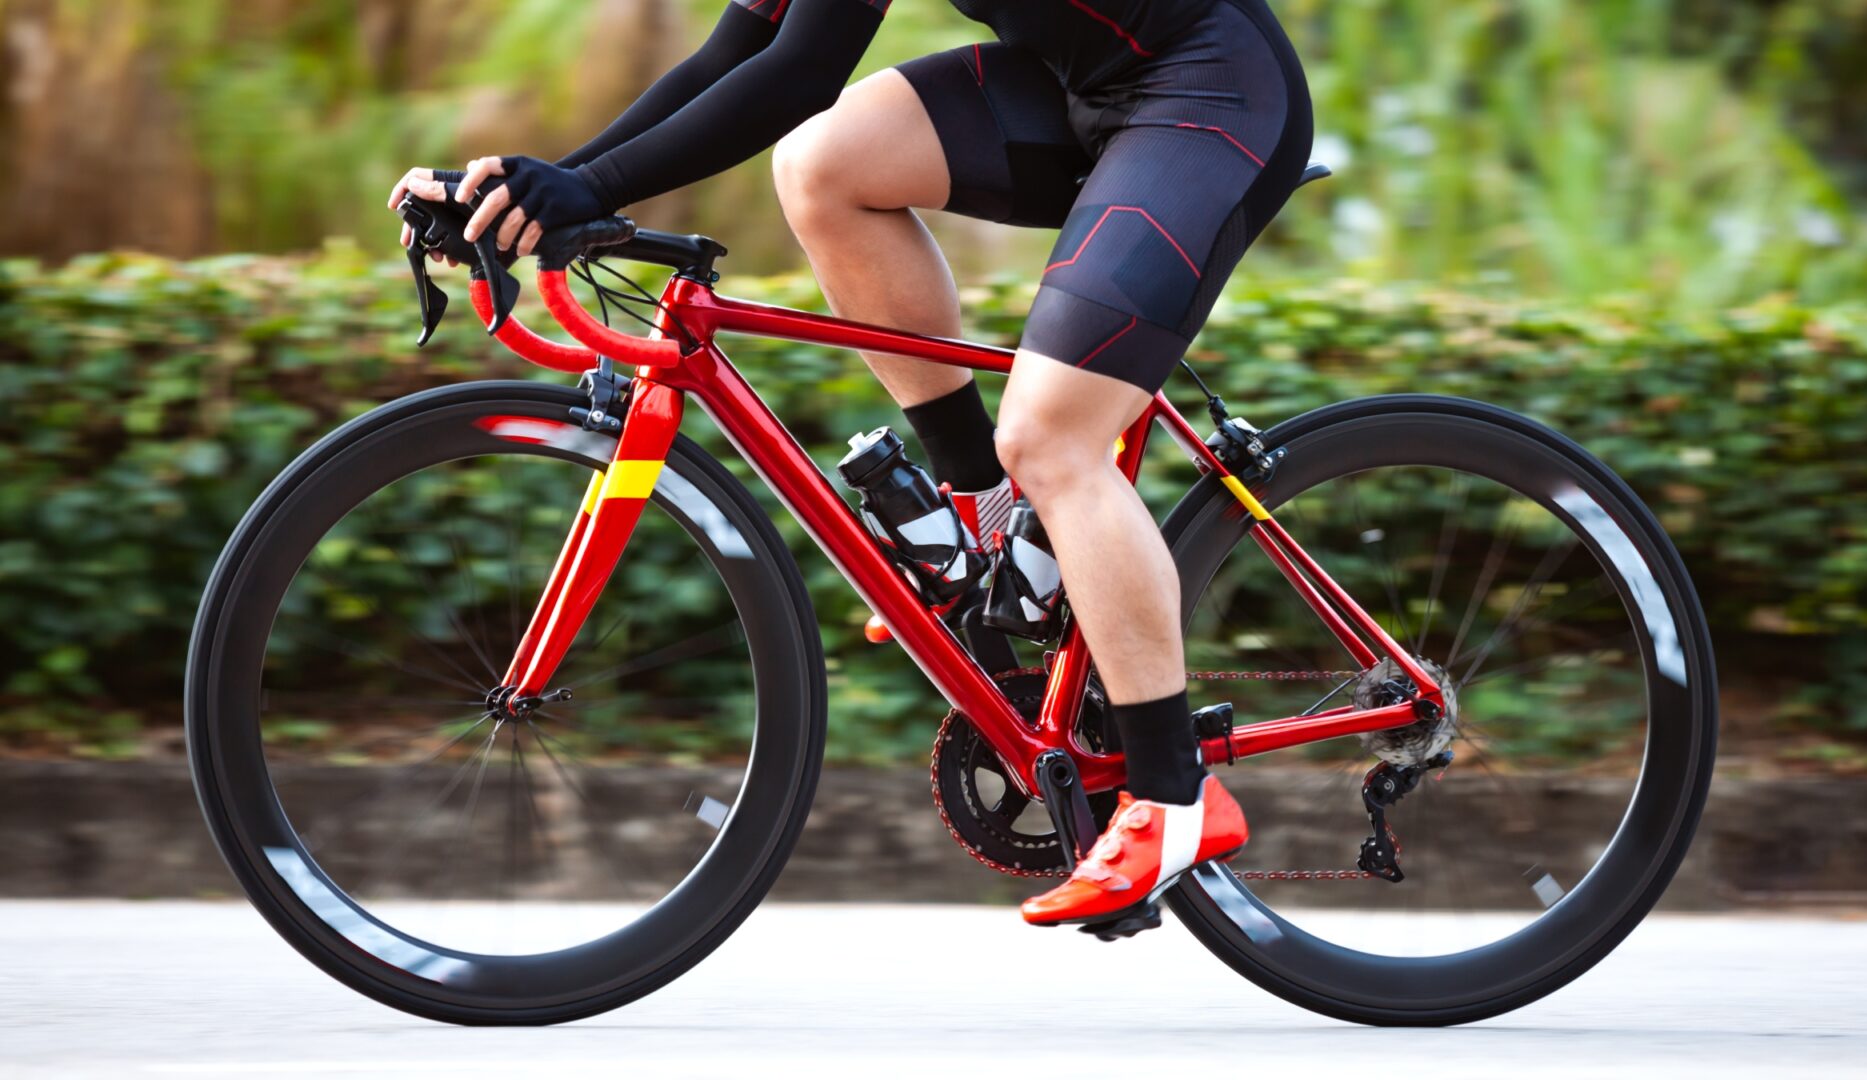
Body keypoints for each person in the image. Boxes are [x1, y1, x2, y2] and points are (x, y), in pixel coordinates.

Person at [388, 0, 1312, 930]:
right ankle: (981, 517)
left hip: (1210, 94)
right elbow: (744, 45)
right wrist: (546, 192)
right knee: (823, 164)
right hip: (1087, 87)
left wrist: (589, 188)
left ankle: (1171, 797)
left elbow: (800, 72)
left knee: (1052, 437)